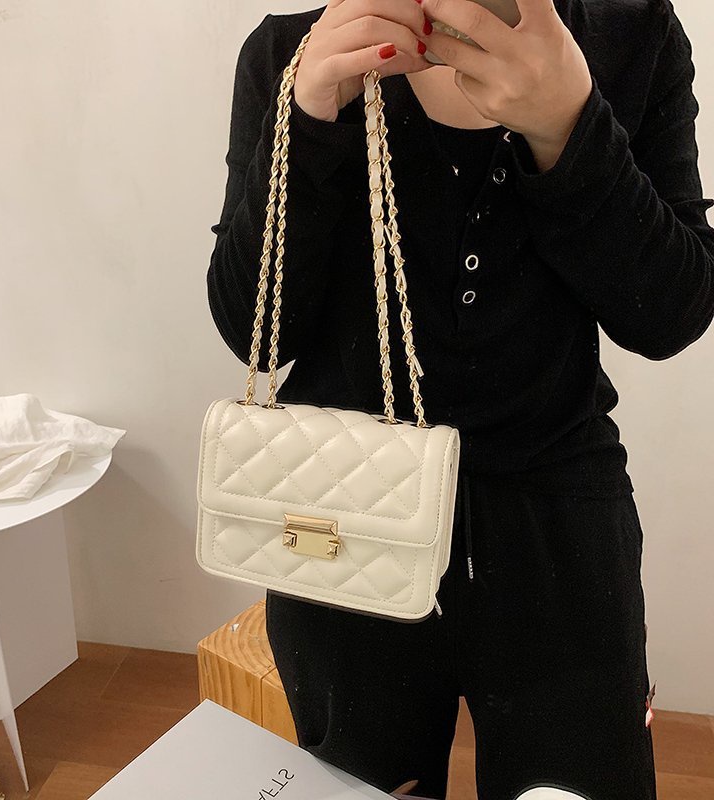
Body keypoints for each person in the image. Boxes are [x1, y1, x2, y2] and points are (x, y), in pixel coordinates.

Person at [206, 1, 714, 798]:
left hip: (558, 520)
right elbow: (255, 335)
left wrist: (570, 128)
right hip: (343, 512)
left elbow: (670, 314)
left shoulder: (629, 31)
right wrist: (309, 121)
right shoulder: (289, 53)